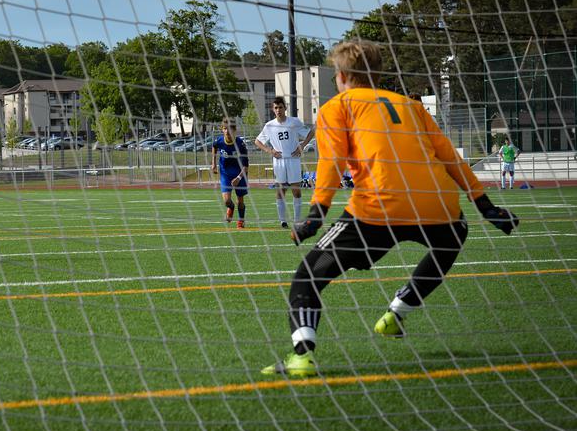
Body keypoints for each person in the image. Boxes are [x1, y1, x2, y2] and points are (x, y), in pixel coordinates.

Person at [262, 41, 519, 378]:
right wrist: (485, 206)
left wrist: (315, 215)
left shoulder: (336, 107)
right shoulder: (411, 105)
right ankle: (396, 314)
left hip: (378, 208)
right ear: (377, 73)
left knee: (307, 278)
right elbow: (449, 156)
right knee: (455, 234)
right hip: (437, 205)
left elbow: (331, 163)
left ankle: (302, 356)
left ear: (340, 76)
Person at [254, 97, 314, 228]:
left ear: (285, 108)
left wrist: (302, 145)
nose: (278, 110)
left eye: (280, 107)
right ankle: (283, 221)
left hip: (293, 160)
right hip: (279, 161)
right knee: (281, 190)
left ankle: (297, 220)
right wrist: (270, 150)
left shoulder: (294, 122)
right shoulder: (269, 126)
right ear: (272, 110)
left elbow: (310, 132)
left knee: (296, 191)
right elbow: (257, 141)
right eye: (276, 108)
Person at [212, 120, 249, 229]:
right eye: (225, 128)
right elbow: (214, 147)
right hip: (225, 173)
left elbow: (246, 166)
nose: (227, 131)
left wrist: (238, 177)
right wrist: (213, 163)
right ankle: (231, 208)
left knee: (240, 201)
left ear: (234, 130)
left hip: (240, 173)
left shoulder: (240, 144)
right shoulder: (219, 141)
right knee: (227, 201)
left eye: (230, 128)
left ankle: (241, 221)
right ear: (222, 129)